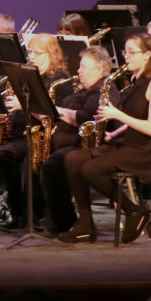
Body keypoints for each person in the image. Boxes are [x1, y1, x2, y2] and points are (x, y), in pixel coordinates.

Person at [59, 32, 151, 243]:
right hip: (129, 143)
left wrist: (116, 115)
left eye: (131, 52)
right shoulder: (135, 79)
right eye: (124, 51)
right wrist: (114, 132)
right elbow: (135, 118)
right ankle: (84, 224)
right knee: (73, 159)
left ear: (147, 55)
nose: (125, 57)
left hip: (147, 150)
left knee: (90, 169)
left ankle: (134, 212)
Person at [0, 33, 69, 228]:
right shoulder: (28, 74)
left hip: (41, 137)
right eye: (30, 52)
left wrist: (23, 105)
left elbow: (55, 114)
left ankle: (24, 213)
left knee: (7, 155)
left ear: (51, 55)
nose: (31, 56)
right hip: (17, 133)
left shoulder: (59, 80)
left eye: (37, 53)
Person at [40, 45, 112, 235]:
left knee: (52, 165)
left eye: (84, 67)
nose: (78, 71)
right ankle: (44, 217)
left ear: (98, 69)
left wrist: (57, 112)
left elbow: (87, 117)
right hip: (66, 143)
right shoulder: (84, 90)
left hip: (84, 146)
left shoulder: (101, 91)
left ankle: (64, 222)